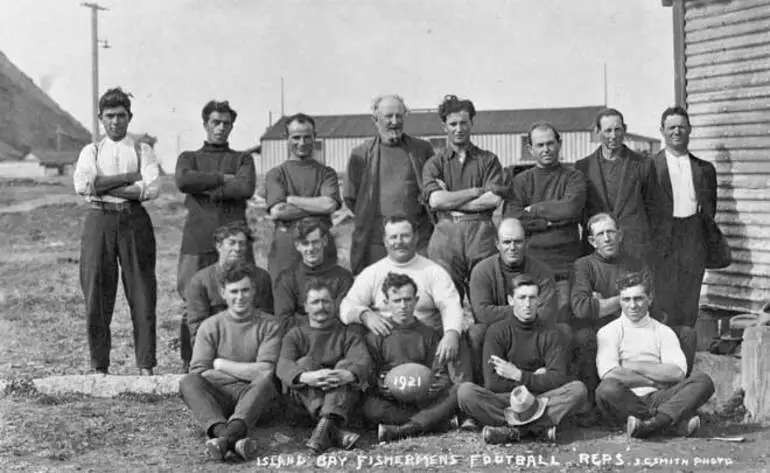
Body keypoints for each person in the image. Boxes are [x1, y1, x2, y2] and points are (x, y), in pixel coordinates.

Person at [73, 87, 162, 376]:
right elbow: (85, 186)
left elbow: (151, 188)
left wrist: (105, 184)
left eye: (121, 116)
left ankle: (146, 365)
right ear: (100, 118)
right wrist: (128, 180)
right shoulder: (92, 150)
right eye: (109, 116)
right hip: (100, 221)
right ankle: (99, 366)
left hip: (135, 222)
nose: (115, 122)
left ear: (129, 117)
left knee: (142, 292)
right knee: (97, 291)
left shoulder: (141, 150)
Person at [570, 213, 697, 398]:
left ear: (620, 235)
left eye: (611, 232)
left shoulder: (636, 264)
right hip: (605, 332)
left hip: (638, 328)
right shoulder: (584, 266)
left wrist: (602, 303)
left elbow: (650, 303)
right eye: (600, 234)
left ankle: (675, 395)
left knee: (687, 334)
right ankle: (593, 403)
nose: (607, 238)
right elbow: (582, 308)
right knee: (584, 337)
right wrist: (625, 299)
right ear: (591, 240)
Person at [339, 215, 472, 385]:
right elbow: (346, 306)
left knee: (456, 337)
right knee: (354, 331)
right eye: (393, 237)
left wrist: (452, 333)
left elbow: (450, 305)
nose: (399, 242)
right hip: (386, 342)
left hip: (426, 342)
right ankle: (364, 391)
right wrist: (365, 315)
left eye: (405, 236)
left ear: (416, 237)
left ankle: (459, 398)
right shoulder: (372, 273)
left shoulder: (433, 271)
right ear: (385, 241)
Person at [457, 275, 589, 444]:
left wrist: (518, 374)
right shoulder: (497, 332)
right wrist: (536, 377)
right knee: (465, 392)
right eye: (522, 297)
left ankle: (513, 431)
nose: (527, 304)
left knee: (578, 390)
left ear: (539, 301)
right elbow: (493, 383)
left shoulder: (550, 332)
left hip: (541, 399)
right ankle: (538, 428)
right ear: (511, 300)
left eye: (532, 298)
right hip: (508, 399)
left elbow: (557, 379)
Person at [175, 100, 256, 372]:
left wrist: (206, 186)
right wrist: (223, 178)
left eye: (226, 123)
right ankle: (192, 364)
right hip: (197, 241)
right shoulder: (189, 157)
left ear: (232, 126)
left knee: (238, 297)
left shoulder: (243, 158)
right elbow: (184, 181)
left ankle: (236, 362)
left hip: (235, 242)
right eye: (215, 122)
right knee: (192, 301)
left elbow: (245, 187)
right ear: (205, 124)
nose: (221, 128)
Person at [179, 260, 281, 462]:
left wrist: (220, 364)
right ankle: (229, 436)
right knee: (188, 382)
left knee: (264, 383)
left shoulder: (270, 325)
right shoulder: (210, 326)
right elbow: (199, 371)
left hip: (257, 399)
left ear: (253, 291)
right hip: (221, 398)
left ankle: (225, 437)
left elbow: (264, 372)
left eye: (245, 290)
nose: (240, 297)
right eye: (234, 292)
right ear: (223, 293)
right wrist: (246, 371)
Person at [595, 271, 715, 439]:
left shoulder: (663, 331)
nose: (632, 305)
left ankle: (651, 424)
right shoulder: (609, 331)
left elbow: (677, 373)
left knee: (704, 381)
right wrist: (653, 380)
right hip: (626, 398)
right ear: (620, 301)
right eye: (626, 299)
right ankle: (667, 422)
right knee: (607, 389)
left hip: (660, 397)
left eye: (638, 298)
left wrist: (632, 365)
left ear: (649, 299)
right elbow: (609, 373)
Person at [423, 95, 506, 301]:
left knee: (486, 297)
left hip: (481, 234)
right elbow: (436, 201)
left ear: (471, 124)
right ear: (444, 126)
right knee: (447, 301)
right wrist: (476, 191)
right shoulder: (435, 163)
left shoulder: (488, 160)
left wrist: (451, 200)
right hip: (446, 235)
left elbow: (493, 200)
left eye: (463, 123)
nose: (459, 129)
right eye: (453, 124)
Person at [277, 279, 371, 453]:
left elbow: (364, 362)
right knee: (305, 363)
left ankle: (326, 426)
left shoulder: (348, 334)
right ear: (305, 307)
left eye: (326, 301)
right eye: (315, 302)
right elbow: (283, 365)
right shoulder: (295, 335)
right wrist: (308, 377)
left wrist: (346, 375)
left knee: (345, 365)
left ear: (334, 304)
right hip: (304, 406)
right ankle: (333, 428)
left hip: (343, 401)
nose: (321, 306)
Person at [345, 95, 436, 275]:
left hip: (417, 241)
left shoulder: (421, 150)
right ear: (375, 120)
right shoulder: (361, 154)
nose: (394, 122)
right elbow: (351, 198)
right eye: (389, 116)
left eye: (399, 116)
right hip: (377, 243)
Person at [503, 121, 586, 314]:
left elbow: (570, 208)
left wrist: (533, 209)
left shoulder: (573, 177)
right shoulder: (521, 181)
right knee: (533, 317)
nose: (546, 149)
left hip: (565, 264)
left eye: (550, 143)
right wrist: (547, 221)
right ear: (530, 149)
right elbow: (512, 218)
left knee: (563, 316)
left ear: (559, 143)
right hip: (531, 265)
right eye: (540, 145)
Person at [363, 272, 458, 442]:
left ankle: (405, 429)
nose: (403, 306)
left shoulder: (428, 335)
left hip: (421, 399)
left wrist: (433, 386)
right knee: (370, 407)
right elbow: (369, 375)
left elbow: (441, 374)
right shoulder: (376, 335)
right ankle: (430, 422)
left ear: (416, 300)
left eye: (407, 300)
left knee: (455, 393)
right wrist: (380, 385)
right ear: (386, 303)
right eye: (397, 301)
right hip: (391, 401)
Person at [468, 218, 560, 383]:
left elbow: (548, 311)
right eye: (506, 242)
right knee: (476, 333)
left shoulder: (542, 271)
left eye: (517, 242)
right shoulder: (482, 271)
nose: (512, 247)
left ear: (526, 242)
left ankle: (546, 380)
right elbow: (483, 313)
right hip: (498, 336)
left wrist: (516, 313)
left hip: (534, 332)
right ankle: (485, 384)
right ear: (497, 244)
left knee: (562, 330)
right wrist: (524, 308)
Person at [651, 106, 717, 328]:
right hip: (661, 242)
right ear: (662, 131)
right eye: (671, 127)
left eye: (681, 127)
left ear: (690, 130)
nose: (676, 132)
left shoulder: (705, 169)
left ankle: (686, 352)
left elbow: (709, 209)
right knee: (663, 302)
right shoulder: (649, 166)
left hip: (692, 238)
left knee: (689, 301)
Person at [575, 108, 660, 265]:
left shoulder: (644, 164)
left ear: (625, 129)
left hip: (634, 250)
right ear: (597, 131)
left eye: (617, 130)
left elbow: (654, 210)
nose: (613, 136)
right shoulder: (583, 167)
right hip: (597, 251)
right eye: (607, 131)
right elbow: (580, 210)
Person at [264, 113, 341, 281]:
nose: (302, 143)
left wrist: (292, 199)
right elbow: (277, 212)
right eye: (296, 137)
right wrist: (316, 208)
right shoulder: (276, 174)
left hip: (320, 249)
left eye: (307, 137)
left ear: (315, 136)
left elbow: (329, 205)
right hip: (286, 251)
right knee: (285, 301)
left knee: (322, 300)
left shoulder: (326, 173)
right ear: (286, 138)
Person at [185, 222, 274, 354]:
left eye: (242, 243)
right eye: (231, 243)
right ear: (219, 246)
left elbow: (267, 320)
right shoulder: (200, 281)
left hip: (253, 349)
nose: (237, 248)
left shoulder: (261, 278)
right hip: (215, 350)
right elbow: (197, 327)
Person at [273, 217, 353, 334]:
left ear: (324, 241)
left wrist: (302, 317)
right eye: (305, 243)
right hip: (301, 341)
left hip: (336, 338)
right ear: (297, 246)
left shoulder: (343, 277)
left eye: (315, 242)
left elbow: (343, 315)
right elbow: (284, 321)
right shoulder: (286, 279)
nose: (310, 249)